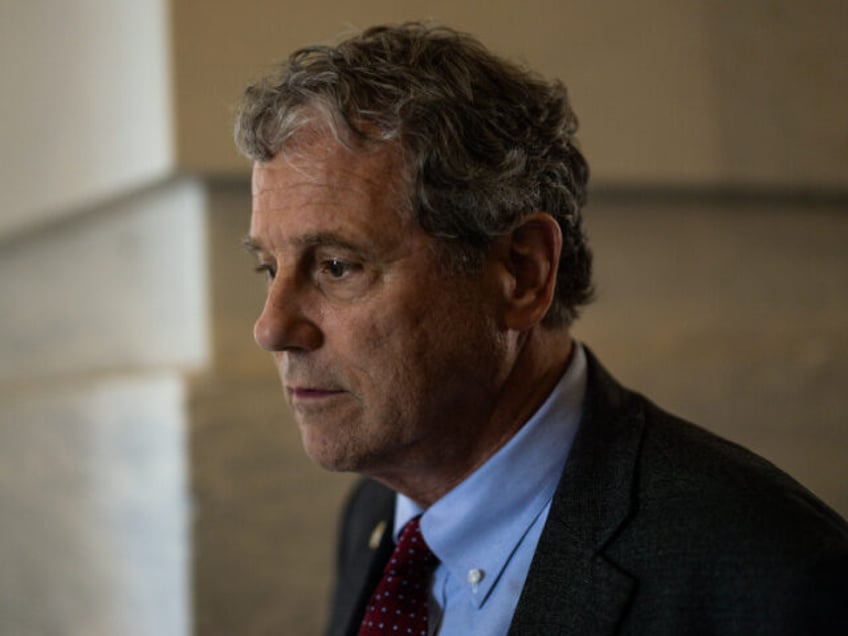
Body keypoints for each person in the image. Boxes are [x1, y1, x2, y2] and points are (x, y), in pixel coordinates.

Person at [235, 22, 848, 636]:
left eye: (338, 266)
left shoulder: (777, 581)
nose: (271, 328)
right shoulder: (376, 514)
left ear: (521, 274)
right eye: (269, 268)